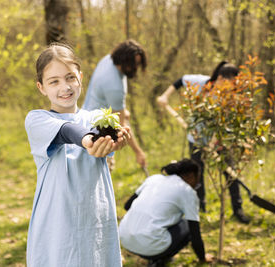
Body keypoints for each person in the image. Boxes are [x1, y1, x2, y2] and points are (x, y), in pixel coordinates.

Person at [25, 43, 132, 266]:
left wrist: (119, 139)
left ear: (80, 78)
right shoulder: (37, 119)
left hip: (95, 218)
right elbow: (67, 130)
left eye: (70, 77)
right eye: (54, 81)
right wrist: (87, 140)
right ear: (41, 87)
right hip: (58, 220)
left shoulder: (96, 118)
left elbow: (105, 131)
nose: (65, 87)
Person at [157, 61, 251, 224]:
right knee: (196, 172)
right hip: (196, 137)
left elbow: (226, 122)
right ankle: (200, 207)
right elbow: (180, 80)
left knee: (230, 172)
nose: (231, 87)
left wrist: (215, 142)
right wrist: (165, 96)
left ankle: (238, 209)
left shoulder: (229, 97)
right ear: (220, 78)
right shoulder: (201, 83)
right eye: (229, 83)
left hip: (220, 138)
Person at [119, 159, 213, 267]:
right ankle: (159, 260)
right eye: (198, 180)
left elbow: (127, 206)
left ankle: (157, 257)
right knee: (187, 225)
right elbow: (195, 233)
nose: (197, 184)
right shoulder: (187, 191)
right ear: (191, 176)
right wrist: (202, 258)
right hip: (150, 246)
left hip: (125, 239)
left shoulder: (154, 179)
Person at [82, 39, 147, 170]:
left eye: (138, 63)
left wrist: (121, 110)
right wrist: (138, 152)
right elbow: (121, 129)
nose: (136, 68)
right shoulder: (115, 87)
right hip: (99, 135)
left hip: (85, 117)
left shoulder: (108, 60)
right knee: (102, 177)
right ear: (124, 62)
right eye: (134, 64)